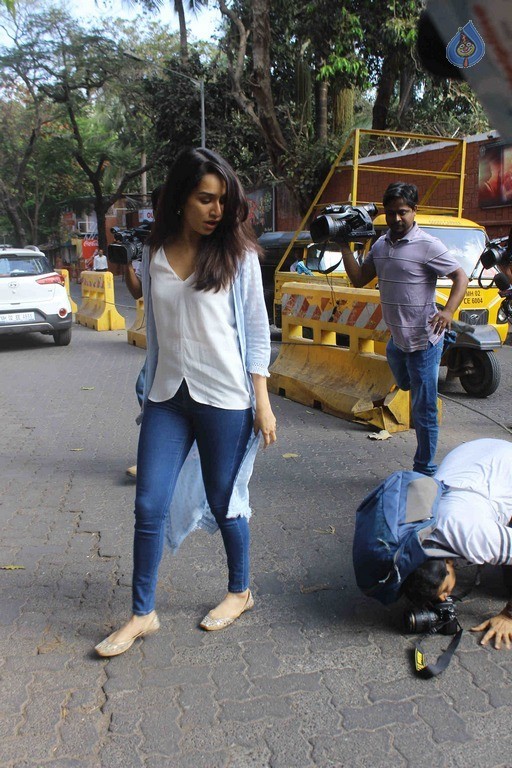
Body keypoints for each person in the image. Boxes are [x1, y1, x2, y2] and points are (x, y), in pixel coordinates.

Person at [95, 147, 277, 657]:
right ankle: (142, 614)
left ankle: (240, 591)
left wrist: (261, 401)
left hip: (225, 399)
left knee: (224, 502)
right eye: (205, 199)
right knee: (148, 503)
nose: (216, 210)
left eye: (222, 200)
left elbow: (258, 336)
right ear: (180, 199)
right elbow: (153, 329)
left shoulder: (238, 256)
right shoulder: (154, 255)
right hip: (167, 399)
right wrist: (147, 388)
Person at [339, 182, 469, 476]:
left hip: (424, 341)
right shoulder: (382, 245)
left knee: (423, 411)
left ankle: (424, 470)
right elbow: (359, 278)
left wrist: (448, 311)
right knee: (406, 382)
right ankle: (422, 371)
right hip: (398, 342)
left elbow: (460, 276)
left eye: (403, 212)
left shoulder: (428, 245)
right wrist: (344, 247)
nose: (397, 219)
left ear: (414, 211)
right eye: (391, 213)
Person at [401, 438, 512, 650]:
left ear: (448, 565)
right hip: (472, 453)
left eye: (444, 591)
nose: (446, 598)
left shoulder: (475, 538)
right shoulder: (411, 532)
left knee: (504, 589)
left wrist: (509, 615)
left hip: (505, 461)